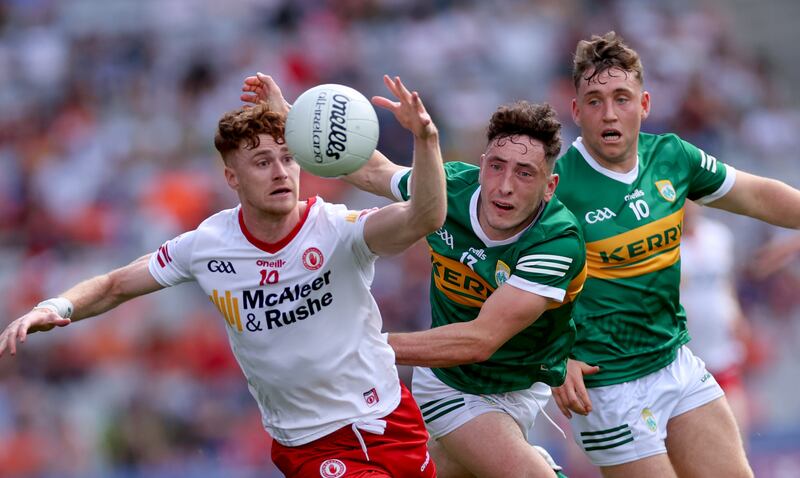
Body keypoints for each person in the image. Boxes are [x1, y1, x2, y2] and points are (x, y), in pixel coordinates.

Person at [0, 75, 447, 478]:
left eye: (288, 159)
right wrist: (53, 306)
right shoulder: (207, 245)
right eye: (262, 162)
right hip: (311, 444)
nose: (280, 172)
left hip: (392, 418)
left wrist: (426, 140)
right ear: (232, 177)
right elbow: (115, 284)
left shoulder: (339, 228)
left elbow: (424, 217)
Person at [246, 75, 582, 478]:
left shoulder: (556, 242)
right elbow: (371, 170)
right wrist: (294, 119)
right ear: (481, 167)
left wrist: (358, 346)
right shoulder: (447, 192)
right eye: (496, 166)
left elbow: (480, 339)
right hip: (451, 387)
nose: (505, 186)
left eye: (525, 173)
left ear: (550, 186)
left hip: (522, 386)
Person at [552, 31, 800, 477]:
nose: (609, 113)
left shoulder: (672, 157)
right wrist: (552, 355)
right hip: (608, 387)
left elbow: (757, 195)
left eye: (621, 98)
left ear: (644, 104)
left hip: (676, 363)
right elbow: (505, 275)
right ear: (576, 110)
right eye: (594, 100)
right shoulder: (556, 189)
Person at [681, 202, 751, 444]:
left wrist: (737, 316)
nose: (688, 208)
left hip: (720, 345)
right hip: (685, 351)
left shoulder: (719, 235)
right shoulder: (662, 244)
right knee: (695, 437)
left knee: (737, 429)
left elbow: (725, 282)